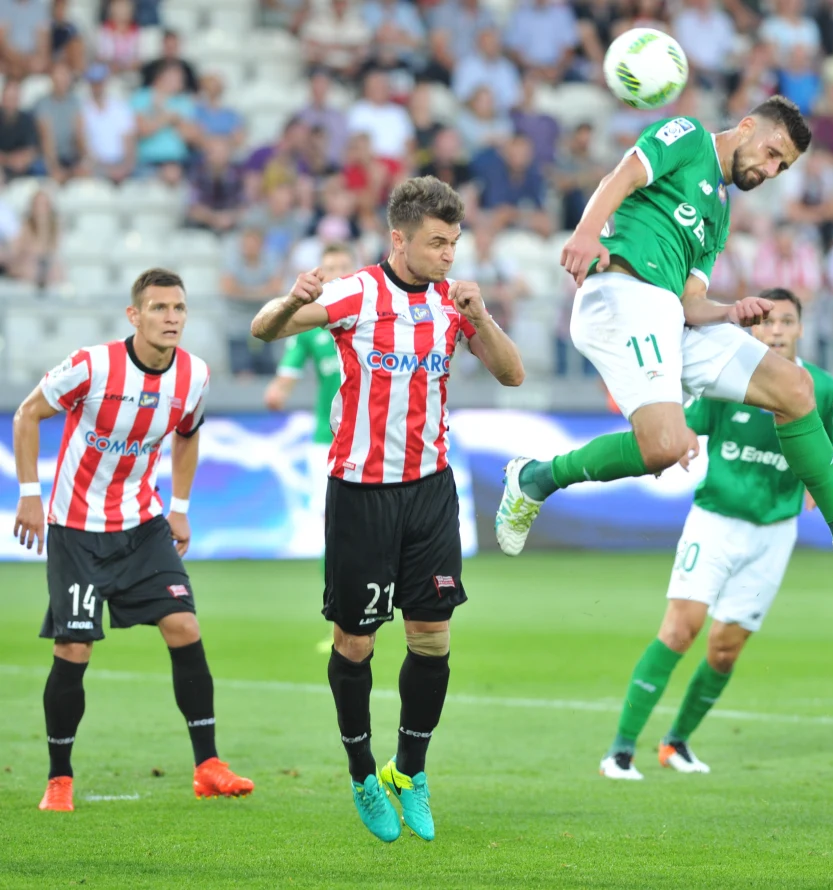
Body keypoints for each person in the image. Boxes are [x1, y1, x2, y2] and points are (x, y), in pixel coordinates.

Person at [494, 96, 833, 570]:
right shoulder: (689, 137)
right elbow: (621, 176)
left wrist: (729, 312)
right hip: (624, 293)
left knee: (795, 388)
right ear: (746, 128)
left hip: (668, 314)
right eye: (772, 152)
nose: (771, 169)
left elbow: (689, 304)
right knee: (664, 447)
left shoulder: (718, 216)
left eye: (782, 166)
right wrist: (585, 231)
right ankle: (534, 479)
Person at [250, 176, 524, 843]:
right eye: (437, 243)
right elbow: (263, 331)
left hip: (430, 490)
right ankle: (362, 773)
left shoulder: (454, 303)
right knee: (357, 642)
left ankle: (411, 771)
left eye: (454, 242)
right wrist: (293, 298)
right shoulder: (355, 294)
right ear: (399, 239)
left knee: (432, 639)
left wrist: (482, 316)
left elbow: (512, 374)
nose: (448, 255)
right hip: (362, 494)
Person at [11, 268, 255, 813]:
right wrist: (29, 493)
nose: (171, 318)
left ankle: (208, 765)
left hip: (142, 524)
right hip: (76, 528)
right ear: (135, 315)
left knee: (184, 624)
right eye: (159, 308)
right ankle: (59, 780)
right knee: (74, 647)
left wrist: (181, 509)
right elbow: (28, 414)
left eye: (179, 309)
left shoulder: (193, 375)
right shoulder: (92, 366)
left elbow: (189, 435)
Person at [599, 289, 833, 779]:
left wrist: (824, 484)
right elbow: (685, 421)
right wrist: (682, 436)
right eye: (768, 322)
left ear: (800, 329)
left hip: (775, 534)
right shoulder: (732, 379)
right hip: (715, 522)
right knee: (680, 630)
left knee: (726, 649)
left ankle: (676, 744)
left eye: (787, 321)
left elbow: (829, 443)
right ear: (754, 330)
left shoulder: (822, 388)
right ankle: (620, 752)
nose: (776, 330)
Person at [263, 242, 353, 655]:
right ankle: (337, 615)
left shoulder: (370, 316)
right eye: (328, 267)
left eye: (341, 266)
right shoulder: (312, 330)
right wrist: (278, 390)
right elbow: (285, 376)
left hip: (375, 439)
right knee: (333, 525)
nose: (334, 273)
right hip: (328, 441)